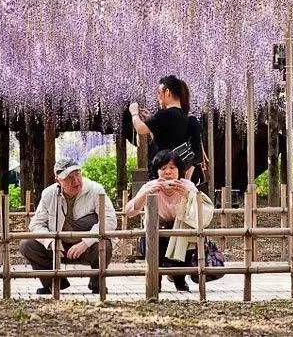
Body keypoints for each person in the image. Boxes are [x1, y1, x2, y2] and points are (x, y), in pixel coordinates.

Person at [21, 157, 116, 294]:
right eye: (69, 177)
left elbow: (110, 220)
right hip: (60, 245)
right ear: (58, 180)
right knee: (27, 245)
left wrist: (86, 242)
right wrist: (51, 242)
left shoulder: (96, 190)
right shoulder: (49, 194)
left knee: (104, 244)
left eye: (77, 174)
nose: (76, 180)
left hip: (87, 246)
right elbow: (36, 224)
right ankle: (54, 282)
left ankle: (97, 282)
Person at [125, 149, 212, 291]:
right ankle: (155, 281)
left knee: (185, 236)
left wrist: (188, 195)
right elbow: (129, 211)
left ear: (179, 171)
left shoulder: (187, 186)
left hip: (180, 234)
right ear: (157, 172)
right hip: (155, 234)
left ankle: (179, 278)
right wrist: (147, 194)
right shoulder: (150, 186)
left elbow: (202, 212)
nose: (168, 172)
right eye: (163, 168)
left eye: (172, 168)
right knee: (154, 241)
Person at [132, 76, 193, 179]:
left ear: (167, 92)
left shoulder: (165, 114)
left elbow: (140, 129)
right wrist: (151, 121)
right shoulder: (184, 116)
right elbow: (163, 139)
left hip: (162, 168)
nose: (157, 96)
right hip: (175, 169)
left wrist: (134, 112)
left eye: (159, 92)